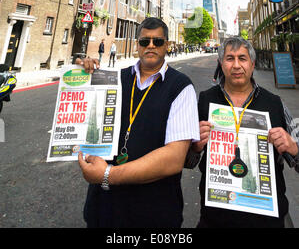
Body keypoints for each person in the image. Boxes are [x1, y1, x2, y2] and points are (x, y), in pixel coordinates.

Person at [77, 17, 200, 228]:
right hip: (104, 209)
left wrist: (107, 174)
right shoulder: (114, 79)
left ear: (167, 46)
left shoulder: (181, 87)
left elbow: (174, 158)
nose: (150, 46)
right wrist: (79, 74)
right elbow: (84, 117)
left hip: (154, 213)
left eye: (158, 42)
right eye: (144, 41)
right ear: (137, 45)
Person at [191, 36, 299, 228]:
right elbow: (187, 161)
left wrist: (294, 148)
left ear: (252, 63)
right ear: (221, 63)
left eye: (242, 58)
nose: (236, 65)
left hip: (267, 219)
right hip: (216, 218)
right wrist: (195, 147)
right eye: (229, 58)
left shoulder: (275, 103)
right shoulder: (204, 101)